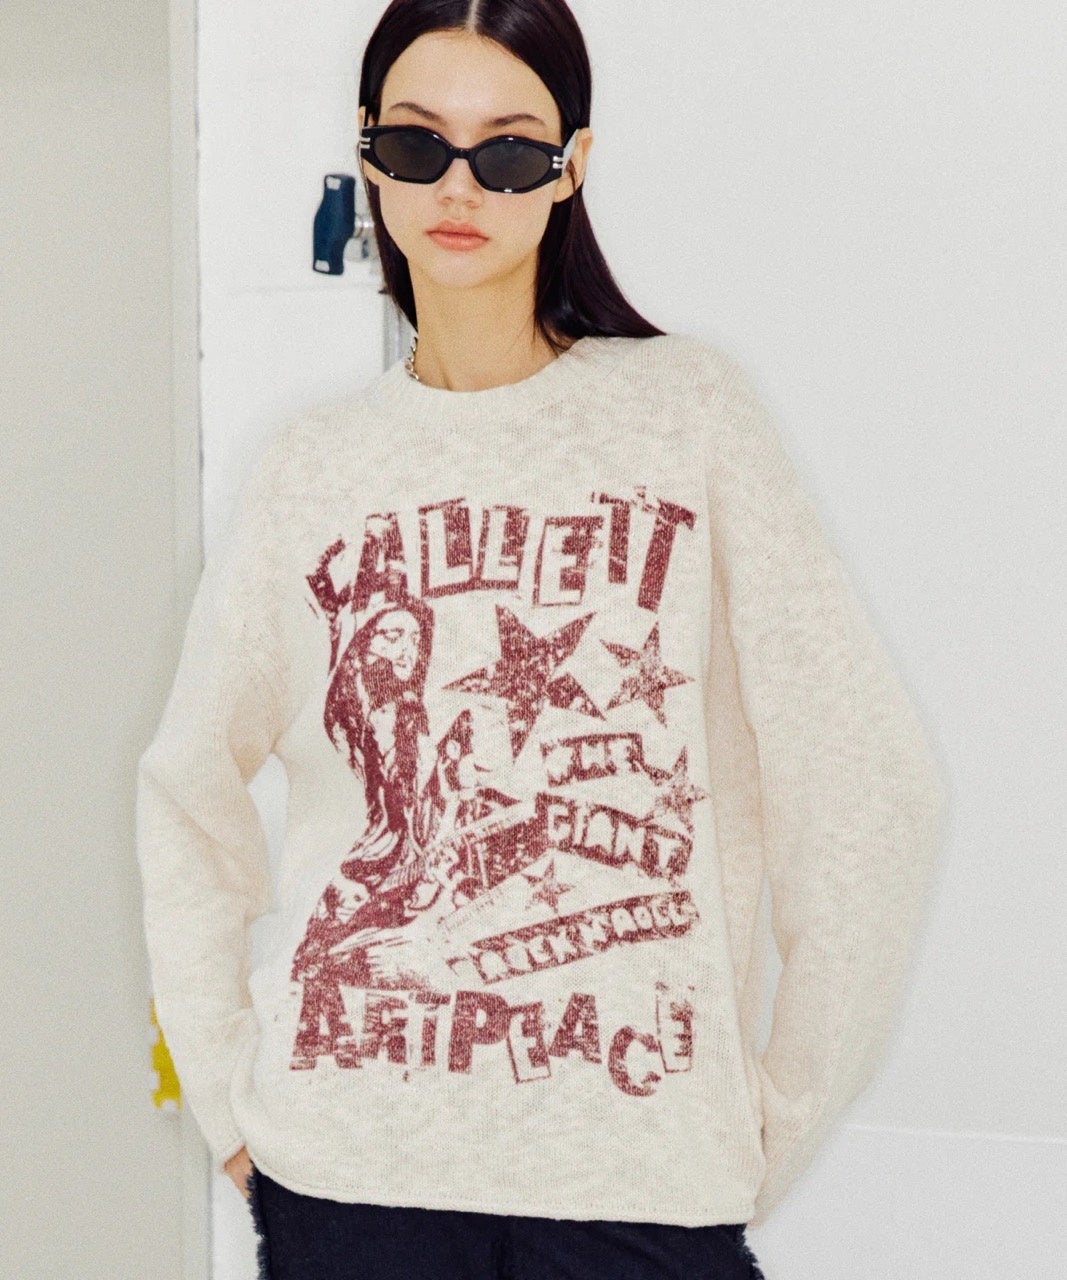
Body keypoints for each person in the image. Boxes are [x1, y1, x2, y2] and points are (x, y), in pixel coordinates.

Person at [134, 1, 948, 1277]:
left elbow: (866, 782)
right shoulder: (311, 467)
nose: (459, 186)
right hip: (352, 1176)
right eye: (417, 145)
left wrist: (771, 1111)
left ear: (571, 166)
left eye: (508, 150)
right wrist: (229, 1095)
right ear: (366, 151)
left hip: (633, 1184)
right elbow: (188, 790)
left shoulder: (687, 414)